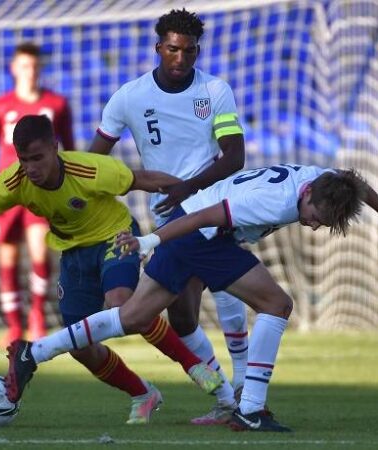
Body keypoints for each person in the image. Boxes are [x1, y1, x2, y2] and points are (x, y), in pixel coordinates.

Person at [4, 163, 378, 432]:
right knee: (277, 305)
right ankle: (250, 408)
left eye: (322, 222)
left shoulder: (325, 181)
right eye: (314, 215)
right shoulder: (275, 201)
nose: (313, 224)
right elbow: (205, 218)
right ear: (308, 193)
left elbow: (356, 182)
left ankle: (32, 352)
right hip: (202, 234)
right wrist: (150, 240)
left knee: (130, 317)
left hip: (193, 231)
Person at [0, 115, 223, 425]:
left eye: (38, 158)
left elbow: (143, 179)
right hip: (73, 253)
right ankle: (143, 394)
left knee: (122, 303)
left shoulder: (88, 169)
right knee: (80, 347)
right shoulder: (12, 183)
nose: (31, 167)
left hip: (115, 236)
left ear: (55, 148)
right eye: (24, 160)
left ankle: (194, 366)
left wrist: (198, 196)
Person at [88, 8, 248, 425]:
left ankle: (244, 390)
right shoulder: (129, 96)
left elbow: (234, 155)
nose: (181, 59)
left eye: (190, 51)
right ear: (158, 47)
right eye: (173, 49)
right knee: (180, 316)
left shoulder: (215, 90)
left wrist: (189, 187)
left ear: (198, 51)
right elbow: (94, 162)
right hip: (169, 215)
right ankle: (229, 396)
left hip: (212, 202)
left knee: (227, 287)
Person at [0, 42, 75, 348]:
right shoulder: (1, 105)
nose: (30, 71)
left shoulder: (57, 104)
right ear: (14, 68)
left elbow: (71, 146)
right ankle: (14, 327)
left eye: (35, 66)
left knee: (40, 252)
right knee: (8, 258)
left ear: (40, 69)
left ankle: (37, 315)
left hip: (42, 190)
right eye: (24, 66)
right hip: (8, 191)